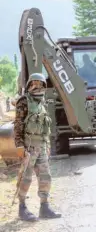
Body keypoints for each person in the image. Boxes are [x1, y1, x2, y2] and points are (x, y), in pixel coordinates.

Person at [14, 73, 61, 222]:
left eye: (40, 83)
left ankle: (44, 207)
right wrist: (20, 146)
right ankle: (22, 208)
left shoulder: (43, 103)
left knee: (45, 177)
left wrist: (47, 145)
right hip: (28, 146)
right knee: (25, 178)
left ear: (44, 86)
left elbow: (45, 127)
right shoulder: (23, 101)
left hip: (41, 146)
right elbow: (18, 125)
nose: (37, 86)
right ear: (28, 85)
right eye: (33, 83)